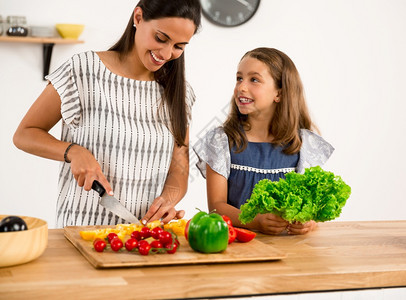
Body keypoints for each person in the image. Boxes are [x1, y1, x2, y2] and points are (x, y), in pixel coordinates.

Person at [13, 0, 202, 227]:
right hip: (82, 233)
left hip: (142, 238)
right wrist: (74, 152)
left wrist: (168, 200)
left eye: (179, 46)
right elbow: (25, 134)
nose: (166, 53)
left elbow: (179, 167)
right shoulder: (84, 70)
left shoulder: (179, 93)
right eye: (161, 38)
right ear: (138, 18)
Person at [193, 47, 334, 235]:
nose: (241, 87)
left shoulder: (303, 144)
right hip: (238, 245)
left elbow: (311, 206)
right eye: (239, 78)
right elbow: (217, 207)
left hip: (289, 249)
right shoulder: (221, 141)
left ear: (279, 93)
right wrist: (255, 220)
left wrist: (309, 222)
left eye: (254, 80)